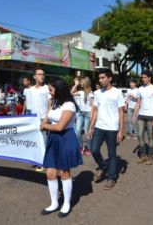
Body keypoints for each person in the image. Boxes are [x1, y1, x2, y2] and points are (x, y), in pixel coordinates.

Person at [40, 79, 82, 218]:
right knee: (50, 173)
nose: (49, 93)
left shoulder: (69, 105)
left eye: (51, 90)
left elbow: (59, 127)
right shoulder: (54, 102)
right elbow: (48, 117)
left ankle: (66, 204)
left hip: (65, 139)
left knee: (64, 173)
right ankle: (54, 203)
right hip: (53, 139)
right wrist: (43, 122)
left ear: (59, 90)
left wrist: (45, 126)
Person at [87, 68, 125, 190]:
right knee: (94, 150)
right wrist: (90, 127)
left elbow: (120, 111)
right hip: (99, 126)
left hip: (112, 128)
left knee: (112, 153)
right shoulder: (97, 93)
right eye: (99, 78)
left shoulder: (117, 92)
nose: (100, 80)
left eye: (103, 77)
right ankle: (104, 166)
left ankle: (111, 178)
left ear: (110, 78)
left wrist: (120, 130)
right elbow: (96, 111)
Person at [132, 70, 153, 165]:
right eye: (142, 77)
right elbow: (138, 102)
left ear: (149, 78)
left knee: (150, 136)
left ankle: (150, 156)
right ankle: (143, 155)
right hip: (141, 115)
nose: (142, 79)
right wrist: (134, 115)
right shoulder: (140, 89)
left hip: (151, 116)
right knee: (139, 135)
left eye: (144, 77)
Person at [30, 67, 51, 172]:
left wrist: (46, 119)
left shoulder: (47, 88)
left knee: (44, 141)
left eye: (43, 74)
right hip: (33, 119)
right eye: (39, 74)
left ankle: (45, 163)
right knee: (35, 141)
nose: (41, 76)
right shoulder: (31, 90)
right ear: (34, 76)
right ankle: (39, 160)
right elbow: (30, 105)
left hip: (43, 118)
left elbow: (50, 106)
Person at [71, 77, 94, 155]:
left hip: (88, 114)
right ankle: (80, 147)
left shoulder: (90, 94)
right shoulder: (80, 92)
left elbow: (93, 106)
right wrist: (75, 85)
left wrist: (92, 115)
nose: (80, 83)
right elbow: (71, 93)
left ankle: (88, 147)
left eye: (81, 82)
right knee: (77, 132)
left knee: (87, 133)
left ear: (85, 83)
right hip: (80, 113)